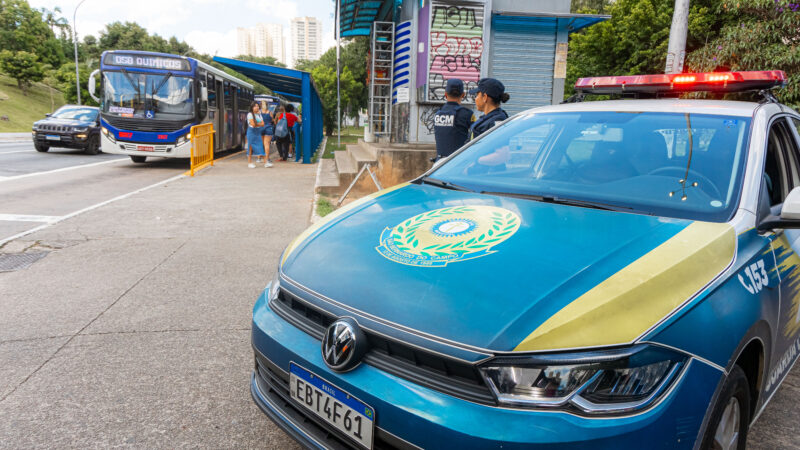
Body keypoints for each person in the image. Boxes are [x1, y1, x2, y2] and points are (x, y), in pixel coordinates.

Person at [433, 78, 475, 160]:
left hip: (439, 164)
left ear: (445, 94)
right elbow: (477, 135)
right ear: (463, 94)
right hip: (458, 163)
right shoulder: (467, 114)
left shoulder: (437, 113)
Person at [246, 102, 268, 168]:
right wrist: (258, 124)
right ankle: (249, 163)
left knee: (260, 146)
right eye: (255, 106)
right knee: (250, 147)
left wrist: (257, 124)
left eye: (258, 106)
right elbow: (253, 124)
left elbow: (263, 124)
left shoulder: (259, 114)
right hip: (251, 132)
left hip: (257, 132)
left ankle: (266, 162)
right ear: (252, 107)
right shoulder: (249, 114)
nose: (257, 107)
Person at [260, 100, 275, 167]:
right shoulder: (270, 112)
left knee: (262, 144)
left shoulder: (259, 112)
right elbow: (273, 120)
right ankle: (267, 159)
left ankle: (260, 158)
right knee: (267, 145)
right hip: (268, 128)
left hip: (260, 128)